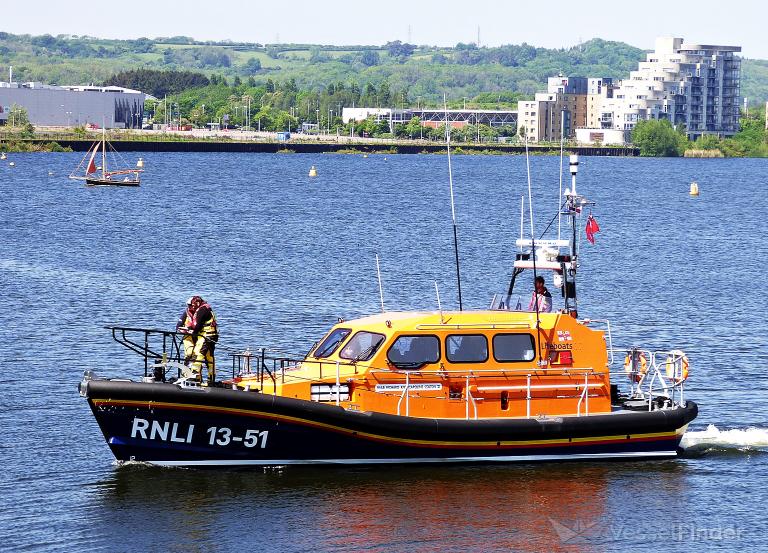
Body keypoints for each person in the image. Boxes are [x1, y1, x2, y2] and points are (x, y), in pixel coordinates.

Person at [176, 296, 219, 384]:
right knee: (205, 356)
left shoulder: (202, 310)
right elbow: (179, 325)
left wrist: (191, 330)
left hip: (206, 336)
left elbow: (197, 326)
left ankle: (194, 377)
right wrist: (184, 329)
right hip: (204, 336)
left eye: (191, 305)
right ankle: (205, 378)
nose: (190, 307)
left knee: (198, 354)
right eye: (189, 305)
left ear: (197, 303)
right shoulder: (192, 311)